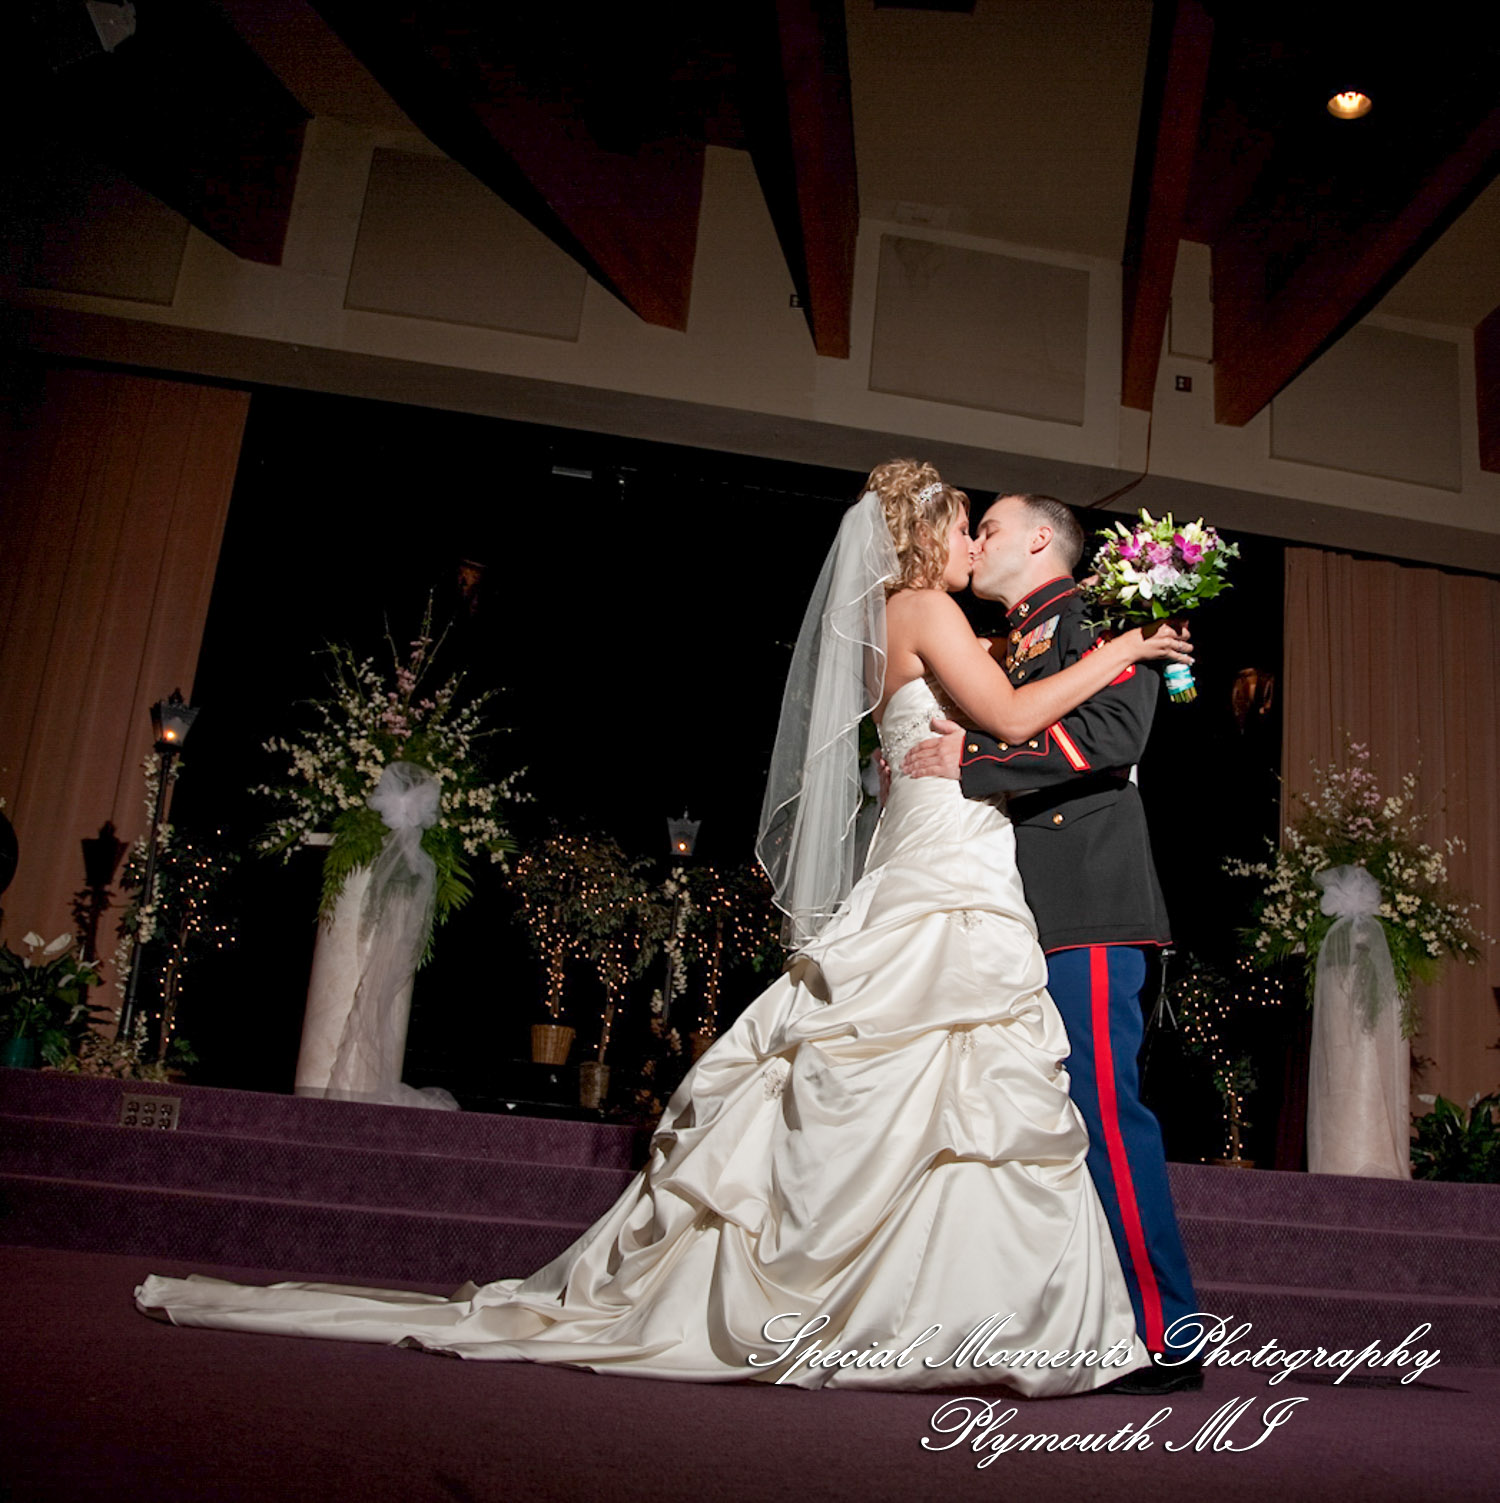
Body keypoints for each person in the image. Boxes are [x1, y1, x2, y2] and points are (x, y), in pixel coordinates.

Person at [136, 462, 1192, 1395]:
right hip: (953, 872)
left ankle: (1060, 1312)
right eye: (967, 523)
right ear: (928, 535)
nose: (976, 540)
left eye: (991, 526)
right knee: (948, 1088)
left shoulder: (998, 621)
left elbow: (1066, 733)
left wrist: (1093, 667)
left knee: (991, 1099)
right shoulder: (940, 614)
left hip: (1006, 880)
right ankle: (978, 1310)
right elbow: (1007, 721)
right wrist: (1103, 663)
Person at [902, 491, 1202, 1394]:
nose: (975, 539)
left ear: (1038, 539)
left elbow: (1114, 736)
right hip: (1009, 909)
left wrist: (973, 763)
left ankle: (1167, 1333)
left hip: (1088, 903)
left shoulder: (1107, 619)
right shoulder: (1009, 640)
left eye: (987, 525)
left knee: (1106, 1118)